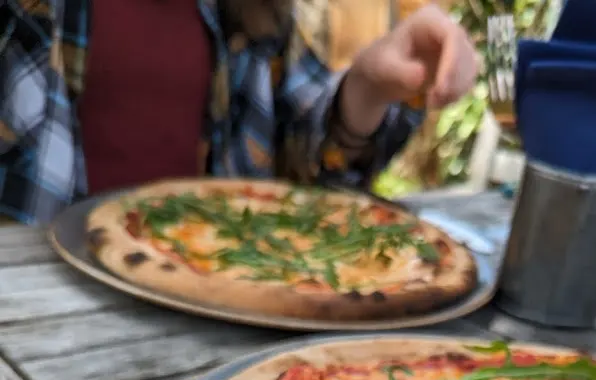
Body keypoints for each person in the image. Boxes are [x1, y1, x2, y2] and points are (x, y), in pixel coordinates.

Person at [0, 0, 476, 225]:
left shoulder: (256, 13)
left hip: (213, 307)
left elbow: (309, 170)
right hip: (33, 324)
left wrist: (369, 87)